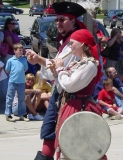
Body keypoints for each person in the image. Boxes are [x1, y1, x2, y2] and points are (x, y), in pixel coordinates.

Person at [26, 2, 89, 159]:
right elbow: (54, 70)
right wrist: (40, 60)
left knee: (66, 140)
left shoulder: (74, 44)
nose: (58, 23)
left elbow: (60, 71)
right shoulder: (65, 41)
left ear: (73, 21)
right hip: (59, 93)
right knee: (49, 132)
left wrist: (40, 60)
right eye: (57, 20)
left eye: (62, 19)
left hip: (68, 98)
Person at [48, 29, 105, 160]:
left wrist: (61, 69)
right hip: (72, 106)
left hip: (81, 108)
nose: (70, 46)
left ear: (83, 44)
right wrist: (56, 73)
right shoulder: (79, 64)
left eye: (72, 43)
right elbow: (63, 85)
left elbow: (70, 86)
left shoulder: (90, 65)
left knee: (84, 147)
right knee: (69, 146)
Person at [5, 43, 29, 122]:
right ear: (15, 51)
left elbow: (25, 69)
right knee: (9, 98)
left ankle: (22, 114)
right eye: (19, 50)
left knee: (21, 99)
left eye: (22, 50)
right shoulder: (10, 60)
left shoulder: (24, 60)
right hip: (12, 81)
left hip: (21, 82)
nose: (21, 51)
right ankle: (8, 114)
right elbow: (7, 70)